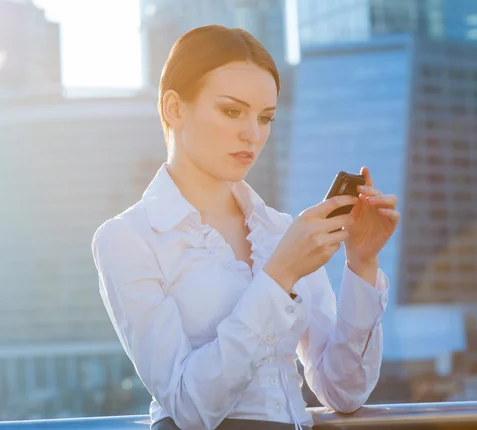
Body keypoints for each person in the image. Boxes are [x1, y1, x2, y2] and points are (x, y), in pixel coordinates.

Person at [91, 25, 400, 430]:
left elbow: (343, 391)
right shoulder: (128, 239)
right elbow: (189, 407)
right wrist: (279, 275)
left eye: (265, 117)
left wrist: (362, 261)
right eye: (232, 111)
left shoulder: (282, 231)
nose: (252, 135)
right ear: (174, 108)